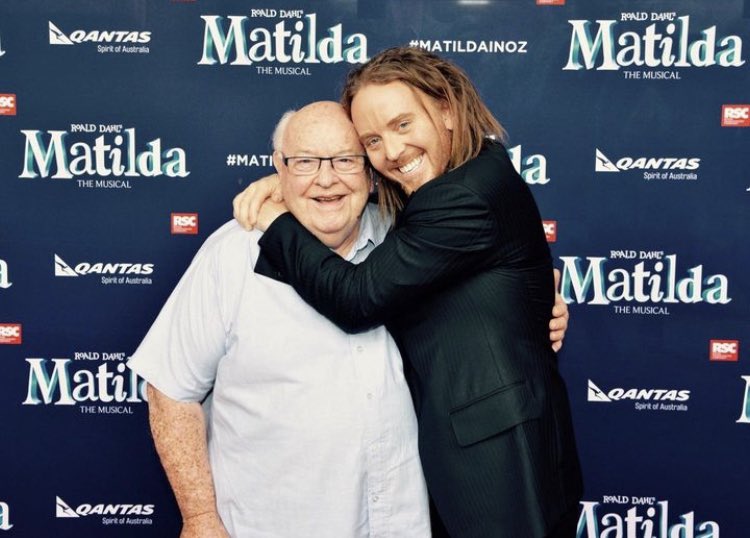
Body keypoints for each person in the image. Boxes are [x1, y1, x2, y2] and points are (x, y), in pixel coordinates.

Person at [239, 47, 583, 537]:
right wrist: (298, 181)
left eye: (403, 124)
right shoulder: (473, 168)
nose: (393, 151)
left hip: (499, 461)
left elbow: (357, 299)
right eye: (373, 141)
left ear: (446, 109)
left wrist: (277, 219)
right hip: (490, 445)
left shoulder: (460, 196)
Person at [128, 102, 433, 537]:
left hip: (399, 525)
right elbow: (170, 391)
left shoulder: (408, 241)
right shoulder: (232, 255)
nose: (326, 179)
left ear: (371, 171)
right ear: (279, 166)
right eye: (305, 161)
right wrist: (200, 519)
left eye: (345, 160)